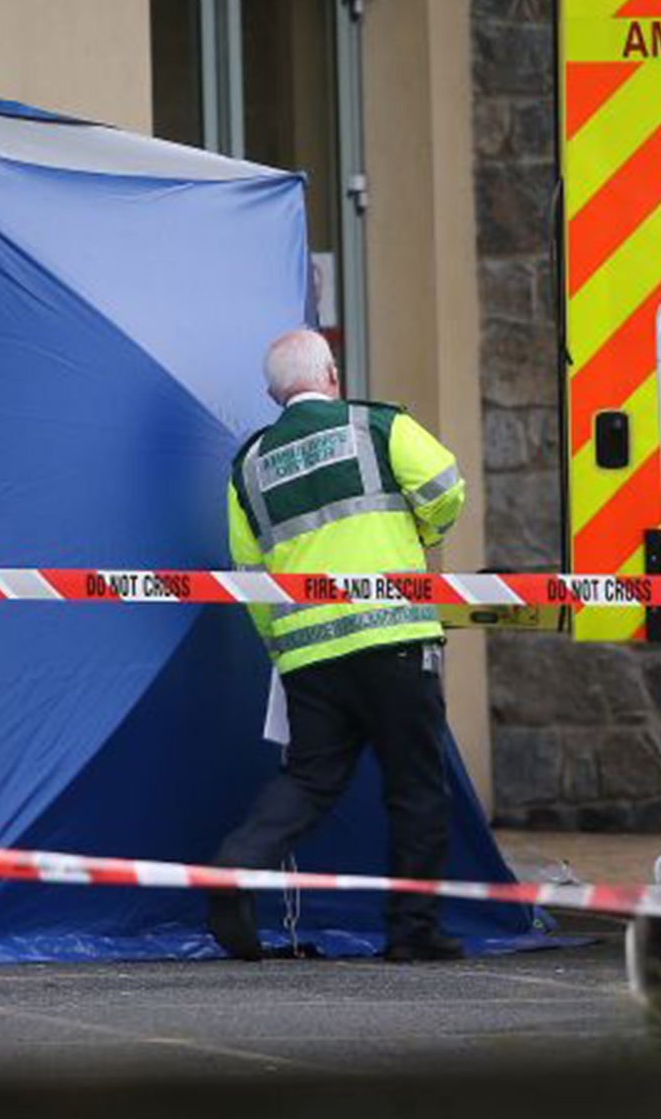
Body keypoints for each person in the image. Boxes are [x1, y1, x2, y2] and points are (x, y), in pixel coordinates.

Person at [207, 329, 467, 964]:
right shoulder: (378, 427)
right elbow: (445, 488)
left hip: (308, 655)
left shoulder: (248, 465)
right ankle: (413, 931)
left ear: (274, 393)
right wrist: (423, 532)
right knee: (415, 784)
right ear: (330, 373)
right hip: (393, 638)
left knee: (310, 779)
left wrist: (281, 647)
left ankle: (236, 867)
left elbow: (250, 572)